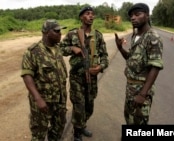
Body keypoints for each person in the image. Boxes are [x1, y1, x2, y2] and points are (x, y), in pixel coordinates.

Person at [60, 6, 109, 141]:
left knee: (89, 105)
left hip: (92, 77)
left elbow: (105, 55)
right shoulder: (72, 34)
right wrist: (72, 48)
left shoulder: (98, 35)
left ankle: (82, 125)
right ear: (81, 17)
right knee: (79, 105)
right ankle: (77, 132)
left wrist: (101, 67)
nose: (91, 16)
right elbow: (60, 49)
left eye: (92, 14)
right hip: (77, 77)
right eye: (87, 14)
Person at [115, 3, 164, 125]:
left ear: (147, 16)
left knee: (139, 123)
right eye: (131, 15)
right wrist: (120, 48)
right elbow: (131, 59)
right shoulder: (136, 35)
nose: (133, 18)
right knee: (128, 118)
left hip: (141, 91)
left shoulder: (153, 37)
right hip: (130, 88)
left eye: (137, 14)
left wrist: (143, 94)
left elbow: (155, 67)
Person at [21, 19, 68, 141]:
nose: (60, 34)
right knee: (39, 133)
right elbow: (27, 75)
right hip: (43, 102)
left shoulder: (58, 49)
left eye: (60, 31)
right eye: (56, 31)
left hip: (60, 100)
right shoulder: (33, 52)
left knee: (58, 128)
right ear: (46, 32)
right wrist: (38, 98)